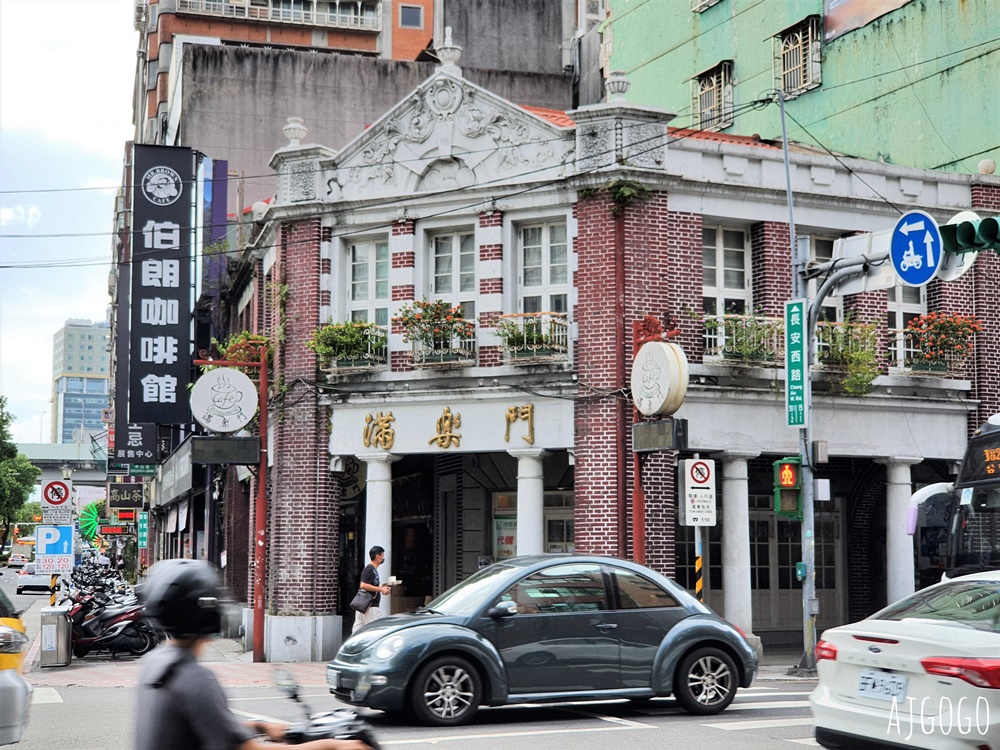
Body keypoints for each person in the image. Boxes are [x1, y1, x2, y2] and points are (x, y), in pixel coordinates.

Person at [136, 559, 371, 750]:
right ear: (209, 611)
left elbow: (212, 726)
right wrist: (331, 746)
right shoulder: (195, 678)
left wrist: (260, 725)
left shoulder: (156, 663)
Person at [353, 546, 391, 634]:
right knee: (376, 632)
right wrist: (380, 589)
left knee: (357, 632)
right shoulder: (370, 569)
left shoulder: (372, 570)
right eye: (382, 556)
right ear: (378, 557)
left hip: (363, 606)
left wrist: (382, 588)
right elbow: (363, 585)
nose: (383, 558)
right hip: (370, 607)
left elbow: (369, 585)